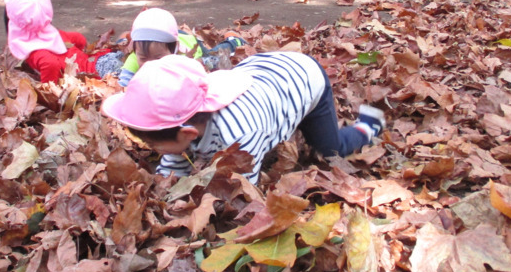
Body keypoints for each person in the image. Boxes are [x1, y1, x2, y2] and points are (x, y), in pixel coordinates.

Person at [101, 52, 386, 184]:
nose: (155, 151)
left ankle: (370, 124)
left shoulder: (240, 135)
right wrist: (163, 186)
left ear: (188, 132)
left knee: (328, 148)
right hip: (264, 72)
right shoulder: (186, 123)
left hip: (303, 78)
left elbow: (243, 190)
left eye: (156, 146)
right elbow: (174, 162)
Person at [3, 0, 121, 84]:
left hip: (102, 72)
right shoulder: (56, 35)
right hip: (104, 59)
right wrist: (81, 55)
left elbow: (50, 64)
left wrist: (48, 87)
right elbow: (79, 38)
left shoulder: (35, 52)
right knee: (127, 48)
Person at [117, 7, 246, 87]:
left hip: (191, 44)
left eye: (158, 58)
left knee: (216, 55)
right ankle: (124, 38)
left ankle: (234, 40)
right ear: (135, 51)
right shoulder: (135, 57)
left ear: (174, 51)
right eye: (144, 58)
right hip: (171, 37)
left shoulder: (185, 59)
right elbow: (123, 87)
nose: (151, 64)